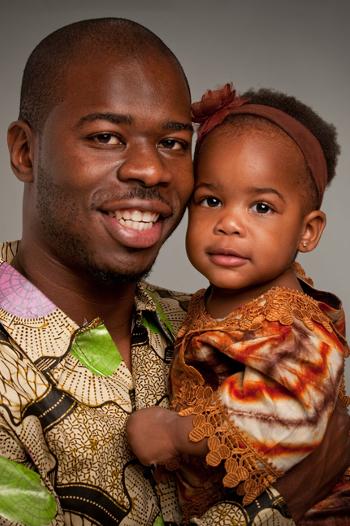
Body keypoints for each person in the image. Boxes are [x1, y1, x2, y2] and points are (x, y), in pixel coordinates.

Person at [0, 18, 349, 526]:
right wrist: (282, 504)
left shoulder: (205, 322)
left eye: (171, 143)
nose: (151, 170)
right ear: (25, 152)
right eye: (105, 136)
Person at [127, 84, 350, 523]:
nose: (229, 223)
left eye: (262, 207)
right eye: (211, 201)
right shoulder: (205, 304)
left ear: (308, 231)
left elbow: (285, 415)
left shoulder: (293, 326)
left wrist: (174, 433)